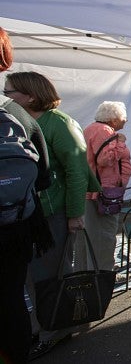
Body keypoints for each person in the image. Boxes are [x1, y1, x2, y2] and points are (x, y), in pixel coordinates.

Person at [5, 71, 100, 360]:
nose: (5, 96)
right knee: (33, 277)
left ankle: (54, 331)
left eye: (10, 92)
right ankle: (41, 325)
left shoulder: (59, 123)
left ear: (30, 95)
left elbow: (76, 172)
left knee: (50, 276)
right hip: (31, 215)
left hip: (54, 213)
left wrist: (74, 214)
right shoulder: (19, 120)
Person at [0, 29, 54, 364]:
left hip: (15, 228)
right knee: (10, 297)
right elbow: (44, 178)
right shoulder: (19, 116)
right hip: (15, 227)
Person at [83, 102, 131, 271]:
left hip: (100, 190)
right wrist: (120, 142)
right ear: (113, 119)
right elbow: (105, 160)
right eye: (123, 118)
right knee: (104, 236)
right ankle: (103, 273)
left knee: (95, 234)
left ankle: (93, 271)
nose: (125, 121)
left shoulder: (93, 128)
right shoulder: (104, 131)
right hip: (104, 193)